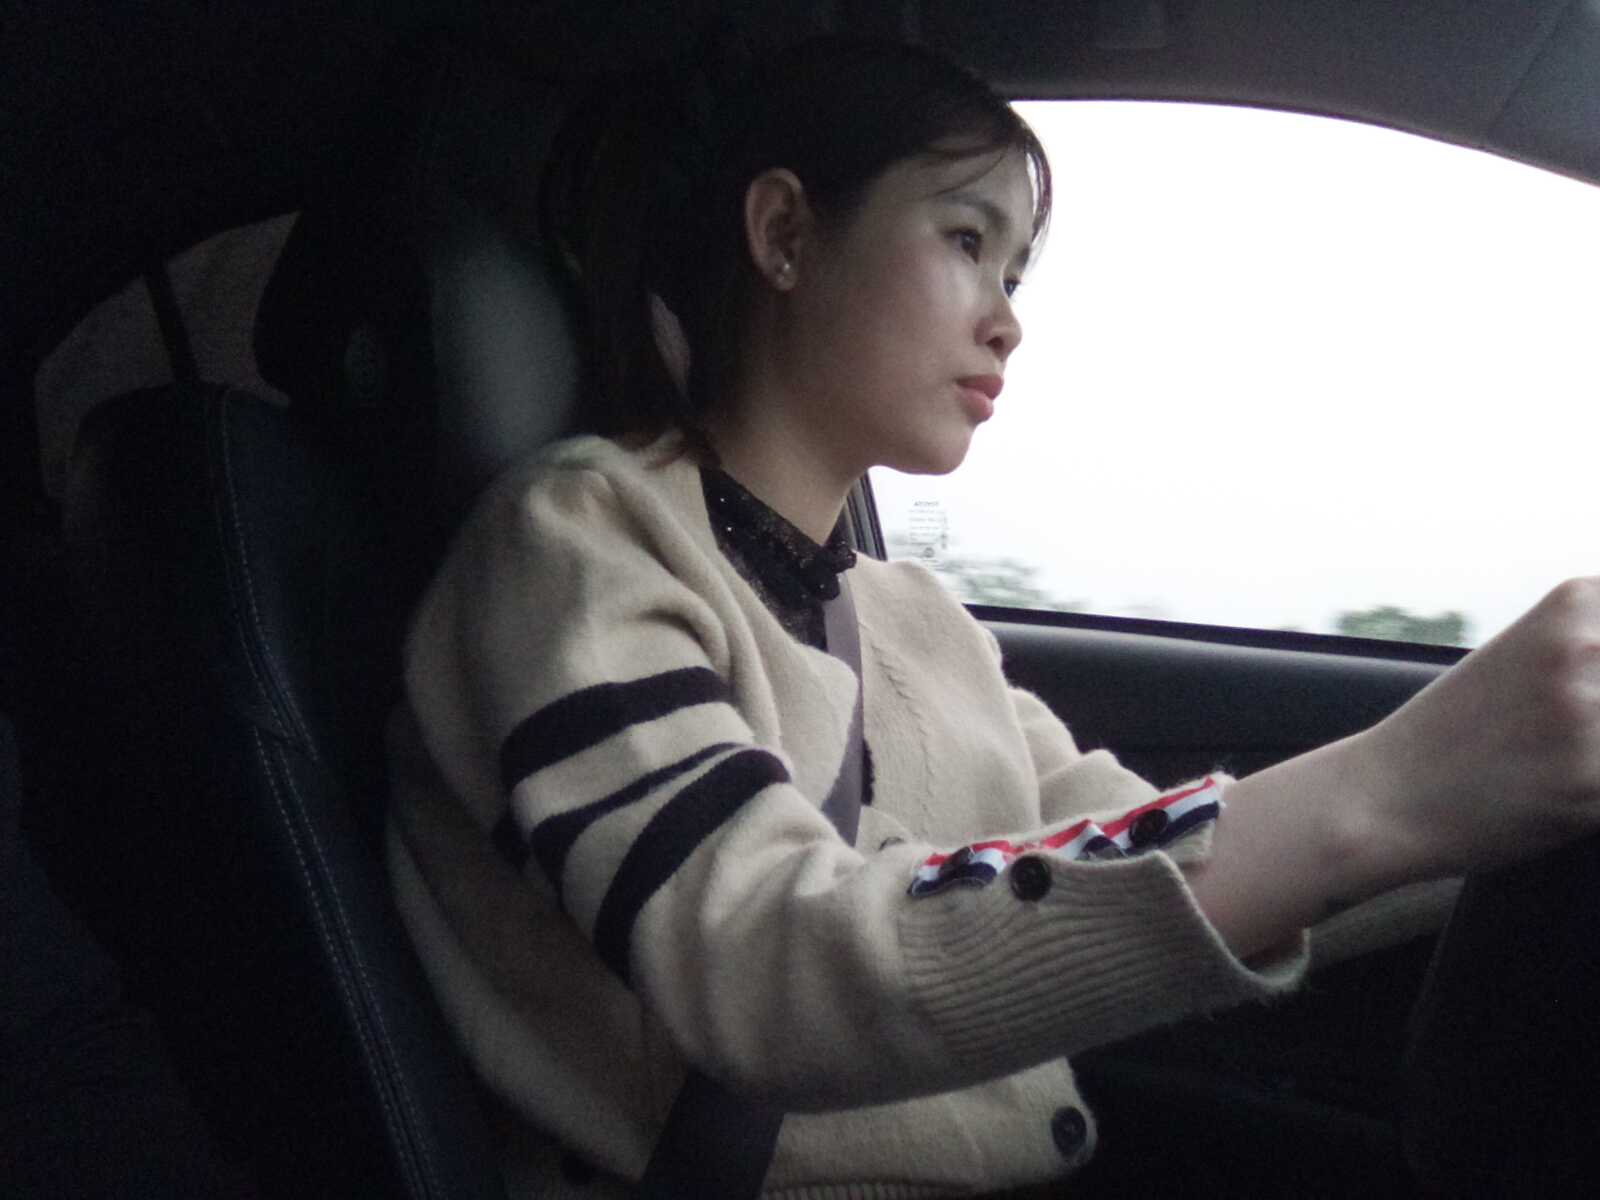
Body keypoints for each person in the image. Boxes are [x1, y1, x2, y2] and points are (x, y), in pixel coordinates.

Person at [384, 34, 1600, 1198]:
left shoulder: (913, 615)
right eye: (966, 241)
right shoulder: (577, 543)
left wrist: (1496, 814)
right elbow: (761, 967)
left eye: (1013, 273)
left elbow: (1139, 847)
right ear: (785, 234)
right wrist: (1391, 788)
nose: (1008, 318)